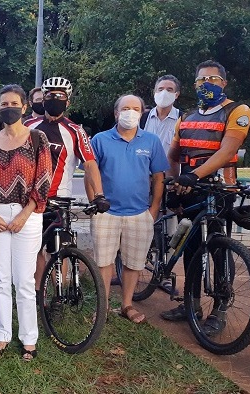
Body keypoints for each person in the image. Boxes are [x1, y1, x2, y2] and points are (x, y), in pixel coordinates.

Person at [160, 60, 250, 336]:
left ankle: (220, 310)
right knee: (190, 248)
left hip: (219, 191)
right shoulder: (186, 116)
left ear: (224, 82)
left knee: (219, 249)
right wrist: (174, 184)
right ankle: (191, 304)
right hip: (190, 191)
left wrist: (194, 176)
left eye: (212, 79)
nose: (206, 84)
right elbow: (174, 156)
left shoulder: (237, 110)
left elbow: (227, 151)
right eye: (201, 80)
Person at [0, 84, 52, 360]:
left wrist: (24, 214)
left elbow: (43, 181)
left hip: (27, 216)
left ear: (24, 107)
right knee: (0, 278)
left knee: (23, 280)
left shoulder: (37, 139)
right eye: (3, 103)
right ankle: (1, 337)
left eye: (13, 103)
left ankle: (29, 339)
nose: (8, 108)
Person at [22, 77, 109, 291]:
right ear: (43, 99)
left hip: (59, 199)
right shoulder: (28, 126)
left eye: (60, 96)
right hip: (30, 199)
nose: (55, 100)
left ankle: (59, 296)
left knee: (58, 248)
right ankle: (37, 292)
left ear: (68, 102)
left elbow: (90, 164)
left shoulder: (76, 131)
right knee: (34, 250)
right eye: (50, 96)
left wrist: (98, 195)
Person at [88, 94, 168, 324]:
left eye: (135, 108)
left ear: (143, 112)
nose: (130, 112)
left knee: (134, 263)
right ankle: (102, 308)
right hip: (107, 213)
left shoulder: (151, 141)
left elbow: (159, 177)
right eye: (125, 108)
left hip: (139, 213)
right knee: (104, 262)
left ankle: (126, 305)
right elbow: (90, 174)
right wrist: (95, 201)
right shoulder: (100, 140)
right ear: (116, 113)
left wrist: (153, 209)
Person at [141, 74, 183, 295]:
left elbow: (180, 154)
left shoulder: (183, 120)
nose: (164, 93)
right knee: (139, 224)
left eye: (169, 89)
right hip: (143, 181)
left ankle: (164, 274)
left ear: (176, 94)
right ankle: (129, 269)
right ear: (154, 92)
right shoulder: (144, 118)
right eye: (160, 88)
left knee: (169, 231)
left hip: (170, 181)